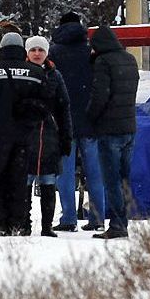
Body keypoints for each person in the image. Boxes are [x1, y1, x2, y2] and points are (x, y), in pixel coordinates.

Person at [0, 32, 48, 236]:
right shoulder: (36, 73)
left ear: (1, 48)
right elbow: (47, 103)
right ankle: (17, 223)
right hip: (25, 136)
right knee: (19, 180)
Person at [48, 12, 107, 232]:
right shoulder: (91, 51)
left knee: (65, 171)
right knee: (94, 171)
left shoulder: (54, 52)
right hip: (90, 119)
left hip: (64, 120)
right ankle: (98, 217)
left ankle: (69, 218)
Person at [86, 24, 139, 240]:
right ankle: (123, 221)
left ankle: (117, 225)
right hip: (129, 128)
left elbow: (100, 95)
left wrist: (89, 118)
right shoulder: (129, 59)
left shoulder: (103, 62)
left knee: (111, 180)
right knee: (124, 178)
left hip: (109, 129)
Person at [23, 36, 73, 238]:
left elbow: (64, 107)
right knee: (25, 182)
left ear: (46, 53)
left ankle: (46, 225)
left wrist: (66, 136)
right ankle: (24, 223)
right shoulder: (21, 72)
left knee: (48, 182)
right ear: (27, 52)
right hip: (26, 136)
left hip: (49, 136)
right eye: (33, 50)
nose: (37, 53)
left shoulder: (55, 75)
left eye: (40, 50)